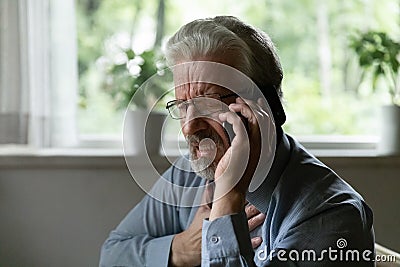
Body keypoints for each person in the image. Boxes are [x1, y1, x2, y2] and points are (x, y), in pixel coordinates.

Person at [100, 16, 374, 266]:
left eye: (208, 103)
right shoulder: (191, 175)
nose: (188, 128)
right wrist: (181, 249)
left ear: (264, 109)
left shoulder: (332, 215)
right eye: (183, 106)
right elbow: (111, 256)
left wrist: (227, 203)